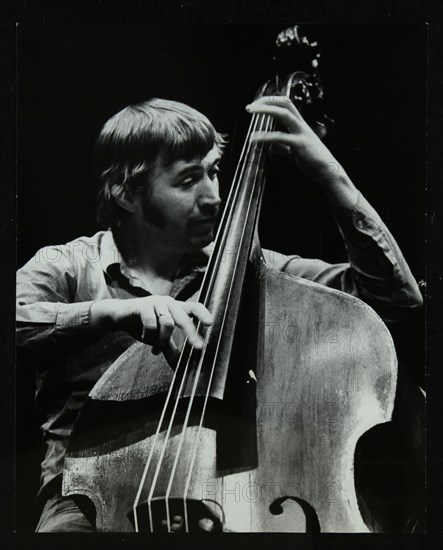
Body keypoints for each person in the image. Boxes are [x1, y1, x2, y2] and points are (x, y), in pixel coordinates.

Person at [16, 97, 423, 532]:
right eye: (189, 179)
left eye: (213, 171)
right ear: (127, 193)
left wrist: (332, 176)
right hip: (91, 497)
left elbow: (396, 300)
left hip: (229, 489)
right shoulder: (66, 266)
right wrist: (116, 312)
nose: (213, 197)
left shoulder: (242, 274)